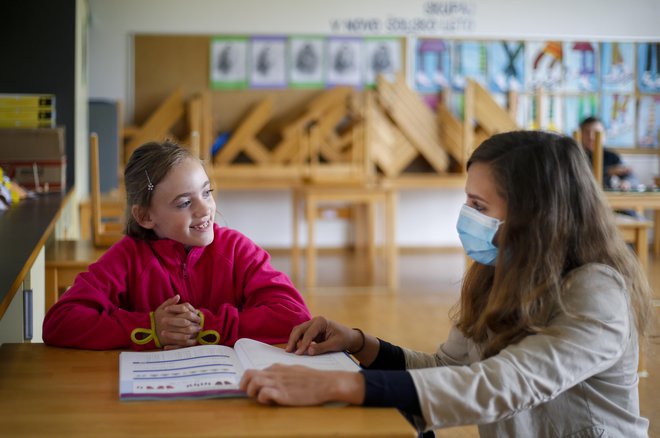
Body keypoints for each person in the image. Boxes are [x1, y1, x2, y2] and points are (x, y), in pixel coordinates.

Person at [239, 131, 653, 437]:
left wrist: (339, 384)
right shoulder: (498, 272)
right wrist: (358, 344)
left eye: (478, 205)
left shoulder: (597, 293)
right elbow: (450, 370)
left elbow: (504, 384)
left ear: (534, 214)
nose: (466, 216)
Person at [43, 140, 311, 350]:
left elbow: (294, 316)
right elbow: (59, 322)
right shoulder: (126, 257)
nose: (205, 209)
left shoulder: (237, 250)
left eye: (206, 192)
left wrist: (205, 326)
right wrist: (150, 328)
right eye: (185, 203)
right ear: (145, 217)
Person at [579, 116, 636, 190]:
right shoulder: (574, 155)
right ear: (580, 135)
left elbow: (631, 176)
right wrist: (608, 171)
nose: (591, 137)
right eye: (587, 132)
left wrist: (627, 182)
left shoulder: (611, 156)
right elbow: (578, 178)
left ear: (604, 135)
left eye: (596, 133)